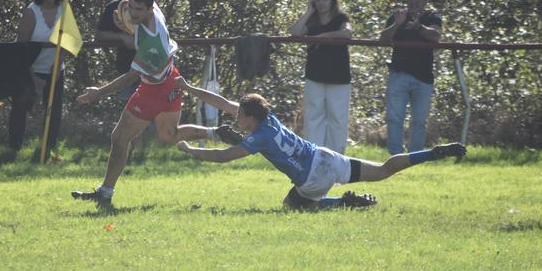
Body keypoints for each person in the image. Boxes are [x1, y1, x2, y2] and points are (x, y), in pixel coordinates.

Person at [174, 79, 466, 210]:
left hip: (312, 178)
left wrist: (191, 150)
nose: (237, 120)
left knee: (292, 204)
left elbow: (225, 156)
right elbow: (223, 102)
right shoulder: (269, 118)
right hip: (325, 157)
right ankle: (433, 153)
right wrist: (189, 89)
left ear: (251, 117)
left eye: (240, 117)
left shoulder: (258, 138)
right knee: (384, 169)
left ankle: (342, 203)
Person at [72, 0, 241, 209]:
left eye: (138, 10)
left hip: (155, 89)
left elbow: (130, 77)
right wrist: (127, 11)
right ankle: (215, 133)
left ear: (150, 9)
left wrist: (98, 93)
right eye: (130, 7)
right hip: (170, 80)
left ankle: (105, 193)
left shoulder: (153, 44)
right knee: (168, 137)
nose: (133, 13)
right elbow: (139, 2)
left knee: (119, 138)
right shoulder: (153, 12)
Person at [8, 0, 66, 159]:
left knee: (54, 111)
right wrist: (33, 77)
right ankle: (14, 148)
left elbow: (68, 41)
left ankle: (47, 148)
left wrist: (57, 68)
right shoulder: (31, 11)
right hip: (29, 68)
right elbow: (21, 48)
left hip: (55, 68)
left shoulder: (64, 10)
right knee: (21, 107)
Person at [289, 0, 352, 154]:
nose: (321, 3)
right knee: (313, 116)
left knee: (337, 118)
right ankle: (314, 155)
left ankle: (336, 157)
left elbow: (347, 33)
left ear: (332, 0)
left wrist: (323, 37)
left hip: (339, 76)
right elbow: (295, 32)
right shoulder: (312, 20)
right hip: (314, 75)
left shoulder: (341, 18)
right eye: (317, 0)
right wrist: (308, 12)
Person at [379, 0, 442, 154]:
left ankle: (416, 156)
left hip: (423, 77)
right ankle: (396, 156)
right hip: (398, 74)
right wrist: (397, 25)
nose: (414, 1)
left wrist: (419, 28)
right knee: (394, 118)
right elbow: (383, 39)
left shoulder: (432, 17)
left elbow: (436, 36)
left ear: (424, 1)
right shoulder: (397, 16)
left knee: (419, 120)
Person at [96, 0, 142, 100]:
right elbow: (100, 35)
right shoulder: (114, 7)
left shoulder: (150, 8)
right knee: (128, 110)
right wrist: (122, 37)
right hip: (127, 68)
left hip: (150, 68)